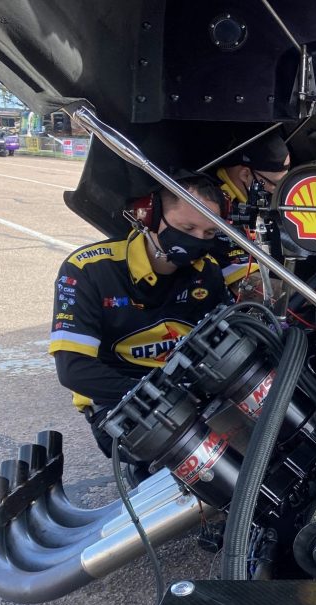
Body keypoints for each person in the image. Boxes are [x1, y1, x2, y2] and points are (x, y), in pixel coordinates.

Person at [49, 175, 233, 463]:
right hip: (117, 404)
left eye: (208, 233)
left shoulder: (207, 272)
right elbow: (74, 370)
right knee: (196, 457)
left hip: (186, 394)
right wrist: (161, 398)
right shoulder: (88, 269)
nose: (197, 240)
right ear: (149, 215)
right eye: (187, 228)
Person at [213, 134, 292, 294]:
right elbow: (245, 286)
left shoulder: (254, 195)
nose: (278, 191)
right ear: (245, 174)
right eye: (275, 184)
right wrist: (313, 296)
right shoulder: (214, 207)